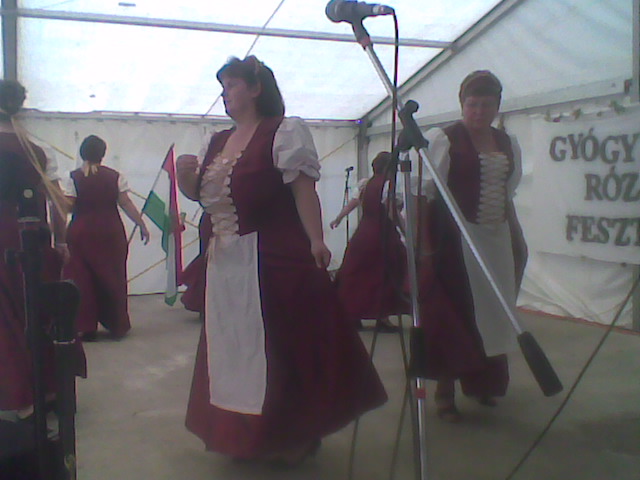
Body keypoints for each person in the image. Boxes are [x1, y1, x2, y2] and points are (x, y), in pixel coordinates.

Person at [177, 56, 387, 465]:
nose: (225, 94)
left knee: (279, 350)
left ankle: (292, 433)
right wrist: (187, 181)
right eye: (223, 87)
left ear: (256, 89)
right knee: (235, 351)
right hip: (226, 264)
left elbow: (302, 189)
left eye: (232, 85)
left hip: (273, 257)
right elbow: (207, 199)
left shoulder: (284, 131)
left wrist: (316, 239)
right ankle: (243, 435)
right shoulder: (216, 141)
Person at [417, 70, 527, 421]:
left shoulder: (507, 142)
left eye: (487, 105)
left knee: (494, 315)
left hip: (496, 239)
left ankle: (483, 384)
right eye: (472, 104)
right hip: (455, 241)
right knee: (458, 314)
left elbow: (507, 193)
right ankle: (445, 391)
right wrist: (423, 245)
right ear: (462, 105)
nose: (479, 112)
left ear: (497, 106)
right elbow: (424, 194)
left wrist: (516, 236)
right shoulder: (443, 139)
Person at [0, 79, 84, 418]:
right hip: (33, 237)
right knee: (37, 312)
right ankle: (49, 388)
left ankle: (21, 397)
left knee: (7, 319)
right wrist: (61, 242)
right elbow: (58, 203)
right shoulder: (37, 150)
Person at [63, 135, 150, 340]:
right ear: (103, 153)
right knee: (113, 277)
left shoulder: (72, 177)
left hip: (81, 232)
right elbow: (125, 203)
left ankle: (87, 326)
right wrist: (141, 224)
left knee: (82, 278)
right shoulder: (115, 177)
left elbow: (68, 206)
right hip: (110, 231)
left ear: (82, 153)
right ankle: (117, 325)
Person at [330, 151, 408, 332]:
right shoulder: (388, 185)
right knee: (384, 273)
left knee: (356, 273)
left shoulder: (366, 184)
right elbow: (392, 212)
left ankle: (353, 314)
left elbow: (353, 203)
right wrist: (407, 231)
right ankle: (382, 317)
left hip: (363, 235)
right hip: (382, 235)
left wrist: (339, 218)